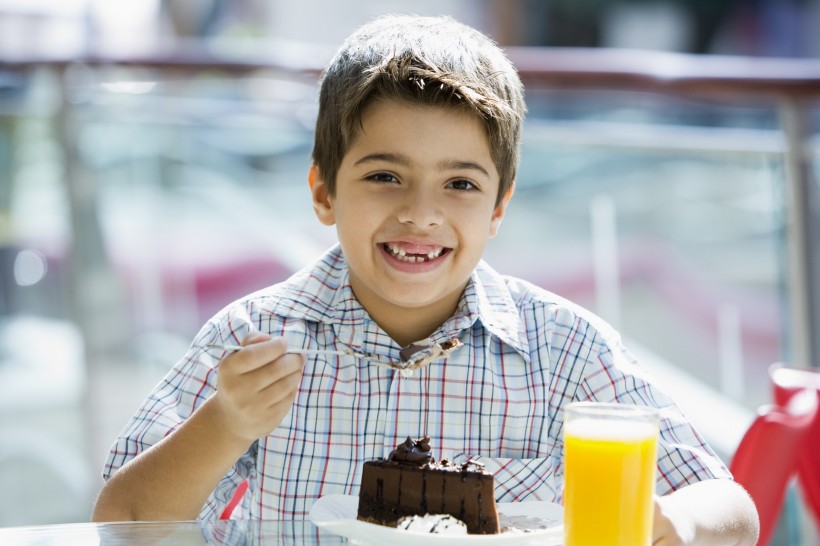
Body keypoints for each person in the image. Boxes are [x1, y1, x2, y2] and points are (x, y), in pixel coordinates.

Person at [91, 14, 759, 544]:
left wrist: (682, 522)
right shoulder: (253, 339)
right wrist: (226, 423)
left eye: (460, 184)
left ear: (498, 206)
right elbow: (120, 519)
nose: (420, 213)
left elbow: (731, 507)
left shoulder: (565, 352)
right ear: (323, 191)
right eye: (384, 176)